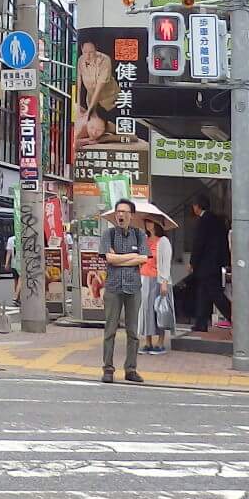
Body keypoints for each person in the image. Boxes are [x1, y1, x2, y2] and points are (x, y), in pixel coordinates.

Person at [101, 198, 150, 384]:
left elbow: (144, 258)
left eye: (125, 212)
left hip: (133, 287)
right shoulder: (109, 234)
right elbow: (109, 259)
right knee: (110, 330)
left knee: (133, 331)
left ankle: (131, 369)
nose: (121, 215)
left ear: (131, 215)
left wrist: (119, 257)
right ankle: (108, 369)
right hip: (113, 287)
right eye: (118, 212)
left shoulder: (140, 235)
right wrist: (132, 257)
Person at [186, 194, 232, 332]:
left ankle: (234, 317)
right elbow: (223, 243)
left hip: (206, 265)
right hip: (216, 264)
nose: (193, 208)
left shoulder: (203, 220)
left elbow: (198, 243)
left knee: (215, 294)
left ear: (197, 206)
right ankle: (201, 323)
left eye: (194, 205)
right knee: (203, 294)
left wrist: (192, 262)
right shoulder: (218, 220)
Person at [71, 40, 121, 152]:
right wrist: (78, 104)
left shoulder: (104, 60)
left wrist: (101, 139)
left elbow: (99, 88)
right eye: (85, 52)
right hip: (91, 100)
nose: (88, 56)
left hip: (109, 98)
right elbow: (78, 83)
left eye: (91, 52)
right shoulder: (81, 60)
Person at [138, 214, 174, 354]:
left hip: (158, 279)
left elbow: (166, 263)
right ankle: (147, 342)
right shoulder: (145, 240)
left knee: (159, 310)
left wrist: (164, 281)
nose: (148, 224)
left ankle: (160, 342)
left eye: (151, 222)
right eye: (146, 221)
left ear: (157, 223)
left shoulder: (163, 241)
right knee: (146, 310)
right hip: (144, 278)